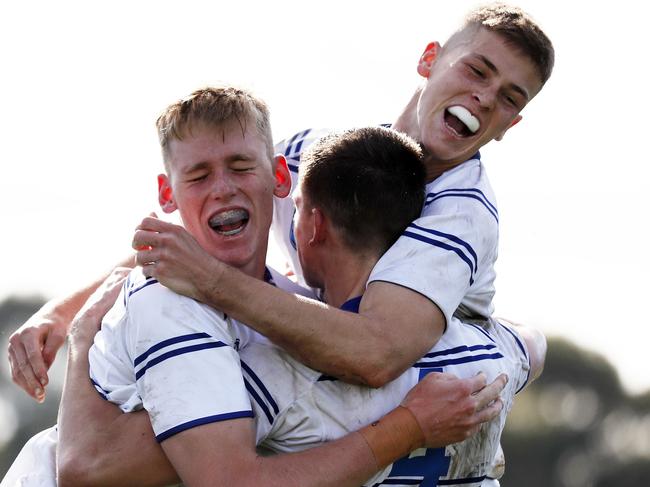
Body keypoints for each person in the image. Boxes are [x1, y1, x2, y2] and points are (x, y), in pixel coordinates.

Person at [7, 3, 552, 402]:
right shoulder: (320, 152)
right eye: (477, 70)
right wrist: (62, 314)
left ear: (512, 124)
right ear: (429, 60)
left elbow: (375, 354)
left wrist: (213, 282)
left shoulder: (463, 212)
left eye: (509, 97)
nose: (485, 96)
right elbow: (196, 234)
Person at [2, 88, 504, 487]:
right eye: (198, 175)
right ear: (167, 196)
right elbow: (96, 471)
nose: (222, 187)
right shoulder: (167, 304)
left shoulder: (298, 315)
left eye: (241, 167)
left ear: (280, 178)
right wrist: (410, 428)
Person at [241, 128, 547, 485]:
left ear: (316, 226)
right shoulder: (488, 351)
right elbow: (533, 347)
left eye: (297, 211)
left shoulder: (276, 369)